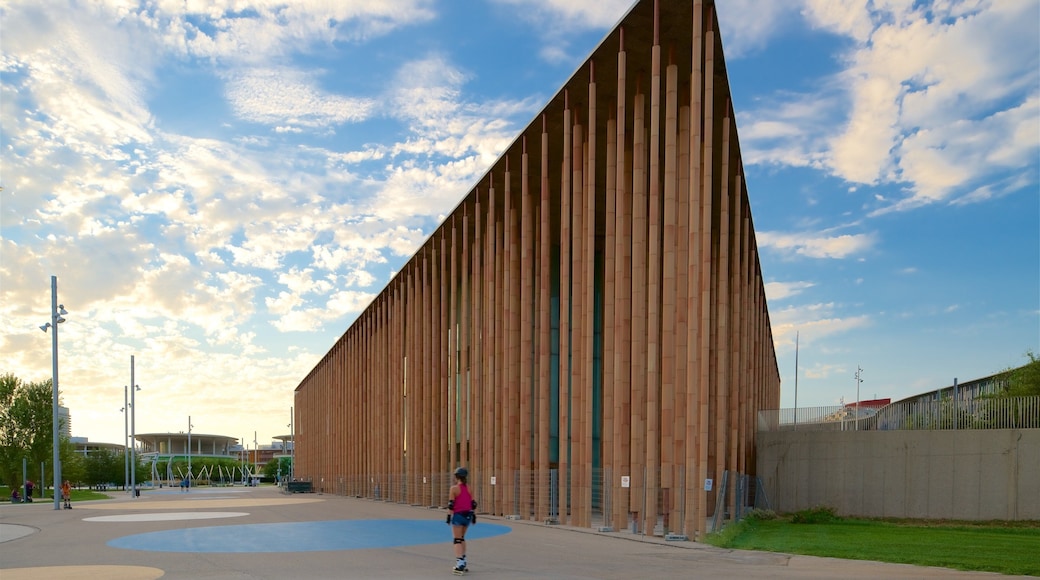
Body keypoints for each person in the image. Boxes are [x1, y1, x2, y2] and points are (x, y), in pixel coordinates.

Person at [446, 467, 476, 574]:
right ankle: (463, 560)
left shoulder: (453, 489)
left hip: (458, 515)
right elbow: (473, 503)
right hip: (468, 515)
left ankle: (460, 563)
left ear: (456, 477)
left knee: (457, 540)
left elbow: (451, 505)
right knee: (462, 538)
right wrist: (473, 515)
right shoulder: (469, 487)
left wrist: (449, 516)